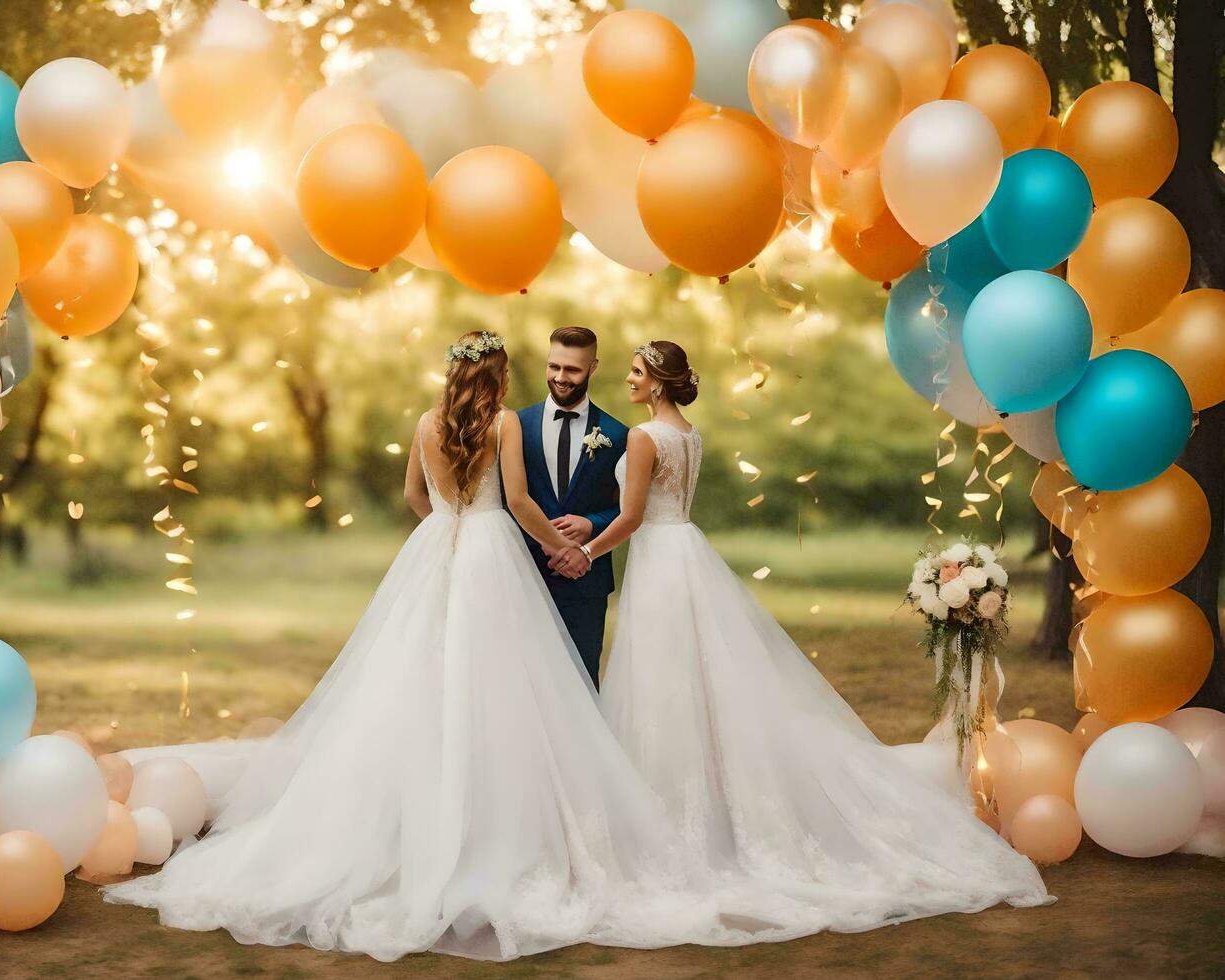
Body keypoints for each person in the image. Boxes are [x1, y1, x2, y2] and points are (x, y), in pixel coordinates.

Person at [103, 332, 815, 961]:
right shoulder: (505, 424)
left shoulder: (424, 422)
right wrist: (553, 546)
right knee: (511, 683)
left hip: (439, 546)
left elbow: (415, 495)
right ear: (499, 378)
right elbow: (522, 501)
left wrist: (446, 523)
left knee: (420, 677)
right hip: (494, 552)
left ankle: (424, 813)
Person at [553, 340, 1052, 928]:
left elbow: (633, 515)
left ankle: (676, 816)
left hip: (661, 561)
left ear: (659, 382)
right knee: (698, 678)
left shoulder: (642, 437)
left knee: (664, 681)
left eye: (637, 373)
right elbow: (655, 504)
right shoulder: (689, 435)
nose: (629, 381)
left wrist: (585, 549)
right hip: (684, 549)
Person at [513, 326, 627, 686]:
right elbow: (503, 500)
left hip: (585, 581)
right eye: (554, 367)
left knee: (581, 682)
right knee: (523, 683)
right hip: (522, 573)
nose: (561, 378)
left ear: (593, 367)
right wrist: (545, 542)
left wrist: (592, 524)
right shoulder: (515, 425)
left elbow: (629, 510)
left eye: (572, 370)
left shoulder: (619, 433)